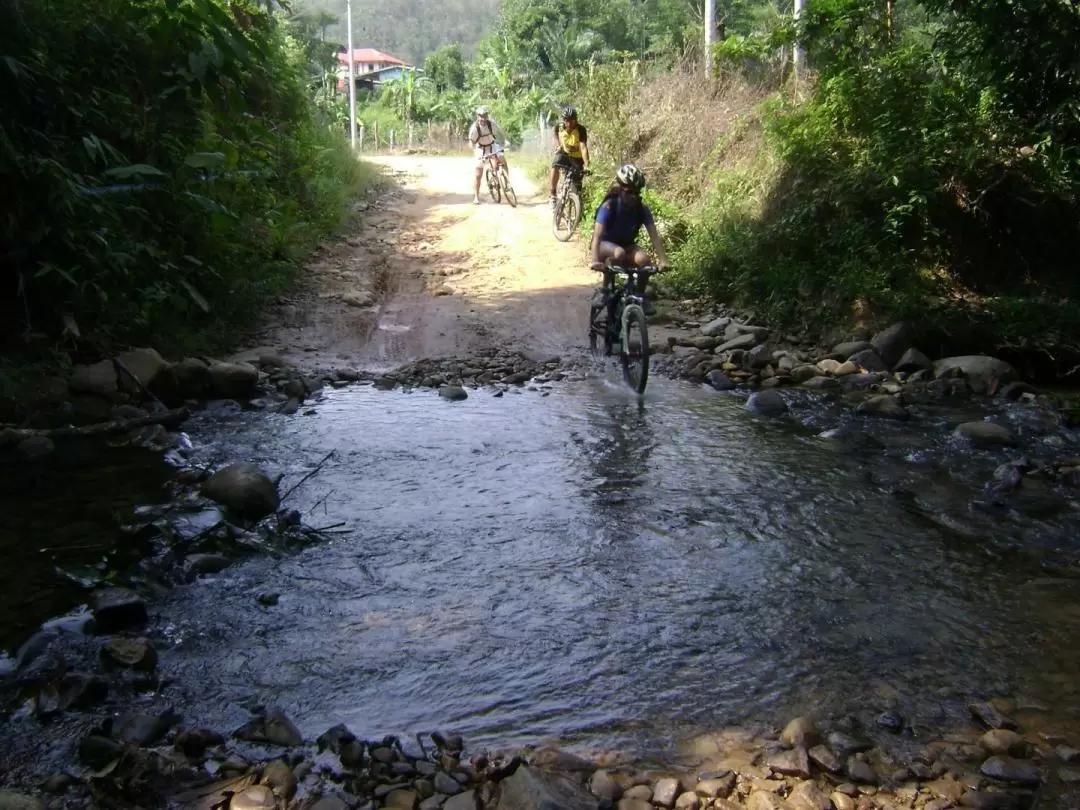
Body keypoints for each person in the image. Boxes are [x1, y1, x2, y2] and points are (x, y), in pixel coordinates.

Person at [590, 164, 670, 314]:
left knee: (645, 261)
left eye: (636, 193)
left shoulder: (642, 208)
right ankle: (605, 289)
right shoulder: (609, 206)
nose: (633, 196)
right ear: (620, 190)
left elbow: (655, 237)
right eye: (629, 192)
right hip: (605, 245)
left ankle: (640, 296)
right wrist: (595, 260)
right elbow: (597, 237)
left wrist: (663, 260)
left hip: (628, 246)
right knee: (618, 253)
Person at [549, 106, 590, 207]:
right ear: (564, 120)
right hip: (564, 154)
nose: (570, 123)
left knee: (577, 187)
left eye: (572, 120)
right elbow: (554, 134)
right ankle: (553, 193)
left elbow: (583, 147)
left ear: (576, 120)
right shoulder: (559, 127)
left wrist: (587, 164)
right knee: (555, 163)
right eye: (567, 120)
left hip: (576, 158)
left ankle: (577, 209)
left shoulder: (581, 130)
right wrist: (558, 144)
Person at [468, 106, 508, 205]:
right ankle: (476, 197)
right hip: (480, 149)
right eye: (481, 116)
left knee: (502, 158)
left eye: (485, 116)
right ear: (477, 116)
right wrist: (475, 153)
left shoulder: (492, 124)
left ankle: (506, 182)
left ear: (487, 116)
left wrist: (505, 141)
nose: (483, 119)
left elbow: (500, 133)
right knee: (478, 173)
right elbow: (471, 142)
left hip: (492, 145)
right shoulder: (475, 128)